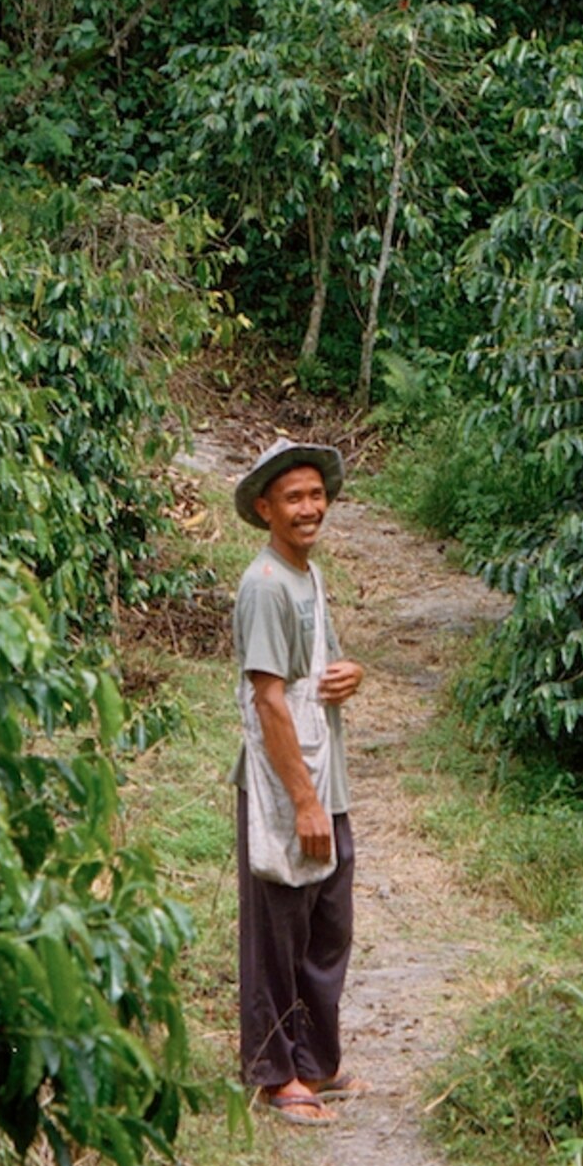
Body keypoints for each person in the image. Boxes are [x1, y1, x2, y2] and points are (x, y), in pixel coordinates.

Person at [231, 435, 365, 1123]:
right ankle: (276, 1072)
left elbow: (317, 672)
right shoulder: (264, 586)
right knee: (277, 931)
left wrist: (351, 674)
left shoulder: (306, 576)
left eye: (316, 494)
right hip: (287, 788)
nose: (309, 508)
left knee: (327, 924)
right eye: (293, 497)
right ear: (266, 508)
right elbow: (268, 700)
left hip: (324, 777)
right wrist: (304, 803)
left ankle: (316, 1062)